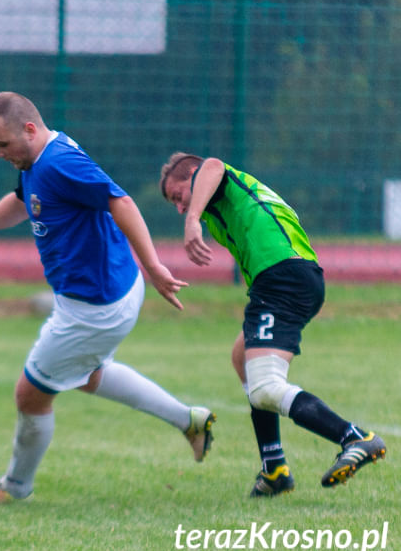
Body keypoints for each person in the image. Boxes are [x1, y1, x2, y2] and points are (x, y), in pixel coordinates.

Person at [0, 92, 216, 505]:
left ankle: (14, 488)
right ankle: (189, 420)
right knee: (85, 374)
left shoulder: (60, 162)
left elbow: (121, 200)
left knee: (30, 393)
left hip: (94, 307)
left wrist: (154, 265)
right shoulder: (37, 159)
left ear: (29, 130)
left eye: (2, 145)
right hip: (104, 292)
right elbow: (23, 201)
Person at [159, 152, 387, 497]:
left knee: (265, 386)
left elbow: (213, 165)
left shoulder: (215, 178)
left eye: (178, 196)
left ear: (191, 176)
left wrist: (192, 219)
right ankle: (275, 468)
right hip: (292, 278)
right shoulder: (227, 203)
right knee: (243, 360)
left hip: (282, 279)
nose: (179, 208)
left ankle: (355, 437)